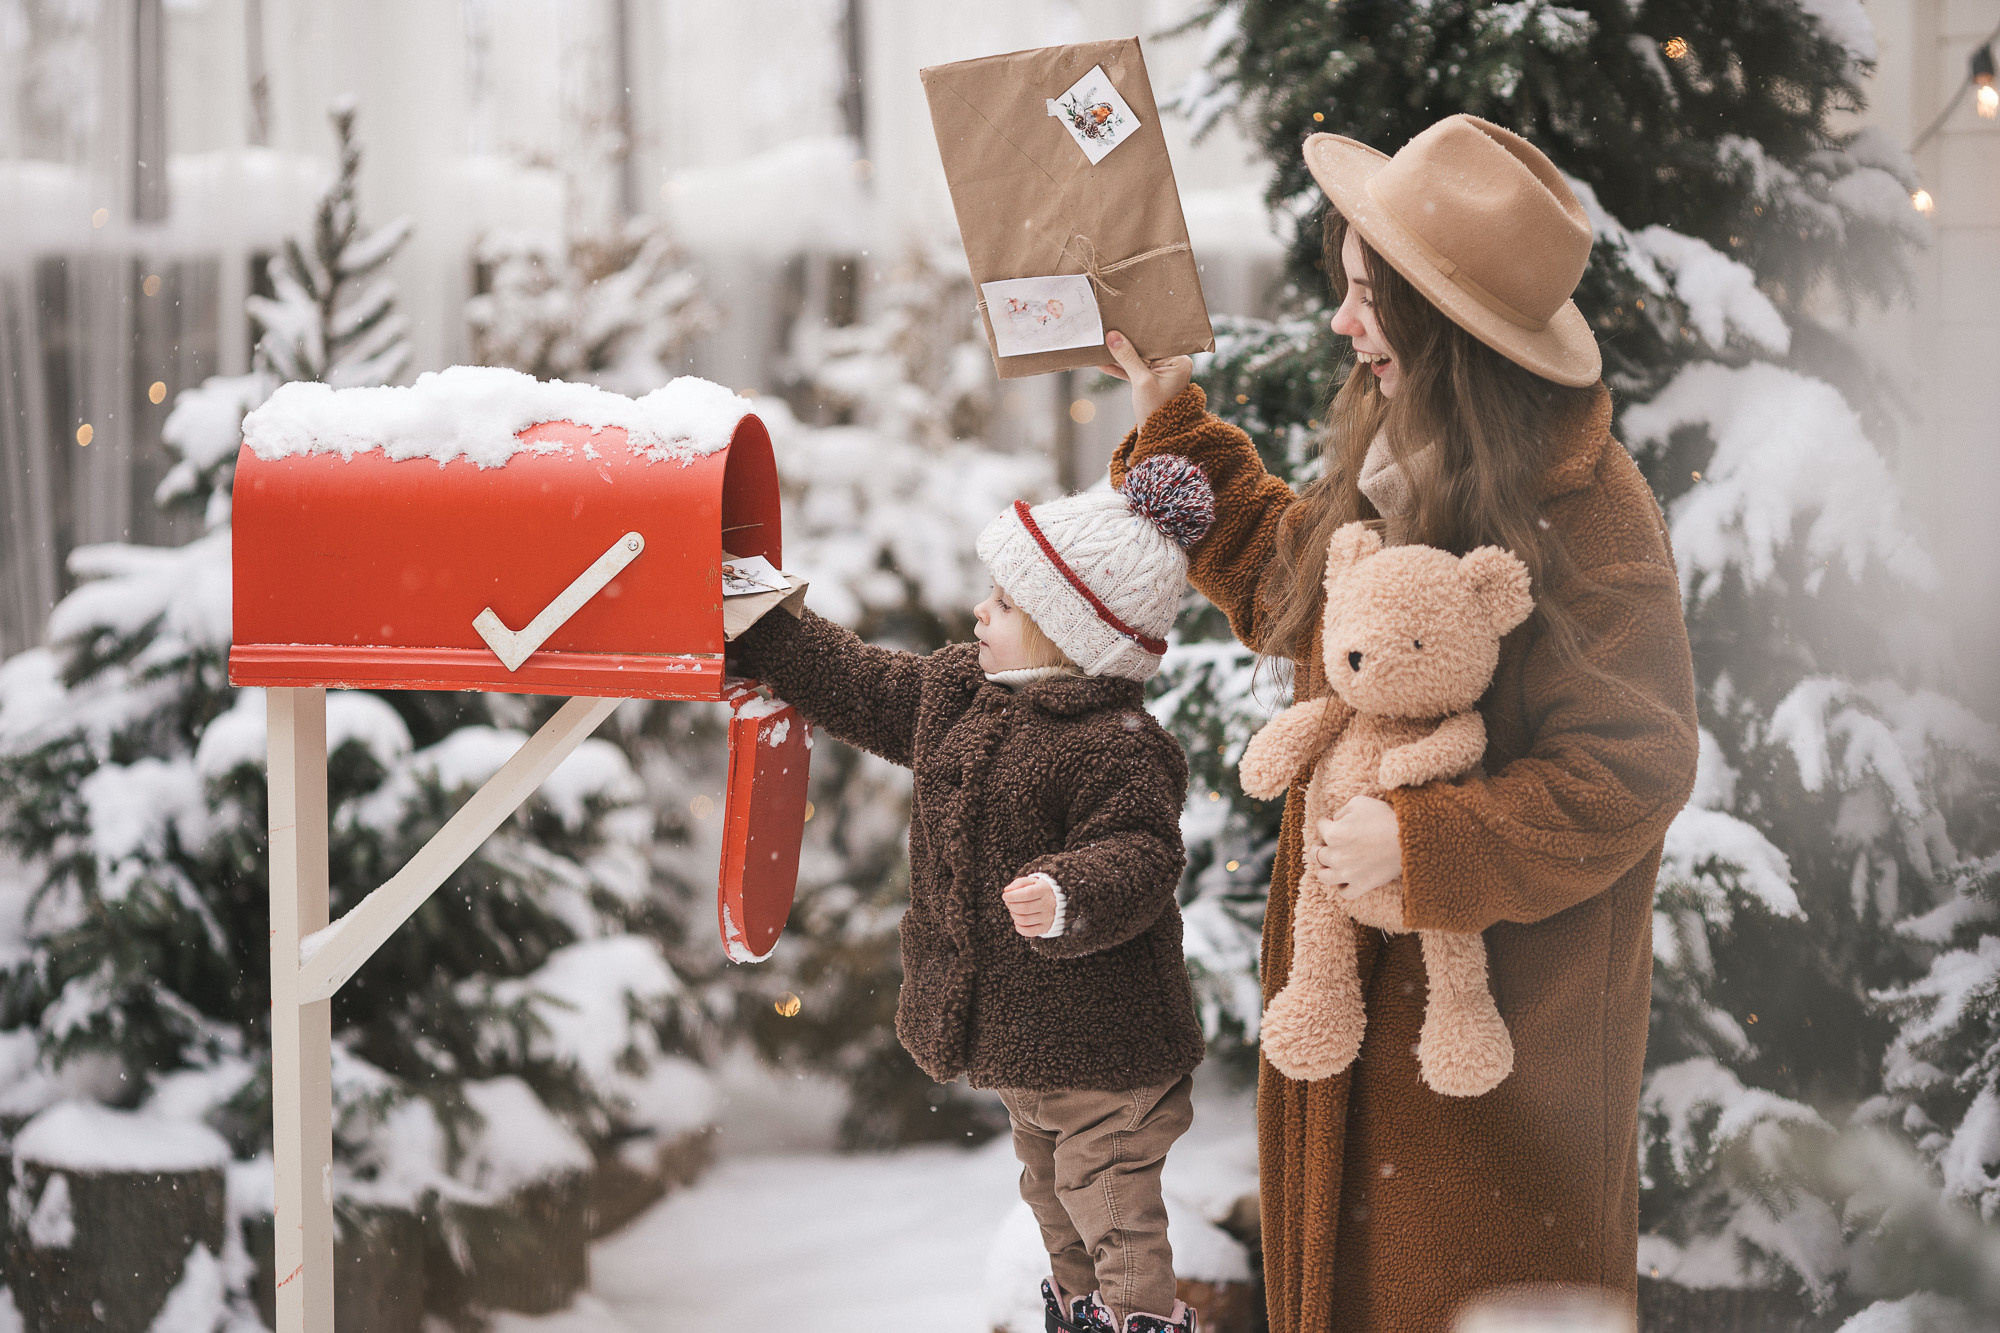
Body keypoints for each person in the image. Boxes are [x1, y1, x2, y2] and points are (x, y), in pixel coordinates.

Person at [1097, 114, 1700, 1332]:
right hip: (1355, 1028)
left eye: (1367, 297)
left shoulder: (1587, 509)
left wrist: (1427, 844)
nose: (1340, 322)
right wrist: (1169, 425)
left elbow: (1633, 764)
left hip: (1500, 1071)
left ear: (1442, 322)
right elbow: (1287, 582)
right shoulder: (1404, 460)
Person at [728, 460, 1221, 1333]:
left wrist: (1068, 891)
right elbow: (866, 686)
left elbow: (1142, 854)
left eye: (1005, 603)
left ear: (1067, 633)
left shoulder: (1115, 743)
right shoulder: (960, 694)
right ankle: (1082, 1314)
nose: (980, 613)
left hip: (1108, 1052)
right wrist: (766, 633)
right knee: (1052, 1196)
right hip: (1032, 1051)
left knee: (1109, 1200)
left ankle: (1137, 1318)